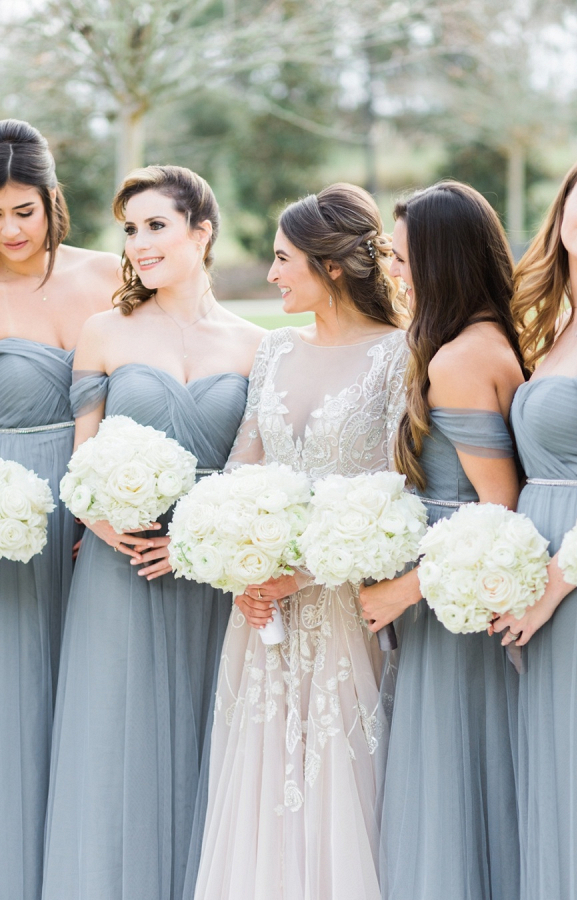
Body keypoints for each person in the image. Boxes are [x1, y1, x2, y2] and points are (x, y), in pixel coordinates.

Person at [42, 165, 263, 900]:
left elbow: (258, 478)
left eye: (157, 225)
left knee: (212, 752)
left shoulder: (258, 345)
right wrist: (115, 530)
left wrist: (197, 547)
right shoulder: (105, 330)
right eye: (130, 229)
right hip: (119, 569)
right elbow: (82, 463)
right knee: (113, 749)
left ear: (202, 230)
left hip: (212, 580)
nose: (138, 243)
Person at [189, 182, 408, 900]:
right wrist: (239, 562)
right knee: (259, 782)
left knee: (345, 785)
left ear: (332, 267)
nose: (273, 273)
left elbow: (392, 490)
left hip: (349, 606)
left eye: (285, 260)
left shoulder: (397, 355)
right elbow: (240, 464)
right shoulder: (275, 350)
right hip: (259, 613)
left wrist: (302, 574)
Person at [360, 182, 525, 900]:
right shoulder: (483, 336)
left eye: (403, 258)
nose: (393, 271)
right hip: (448, 589)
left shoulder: (461, 358)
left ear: (443, 259)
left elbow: (500, 507)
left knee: (450, 781)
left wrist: (403, 588)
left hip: (458, 599)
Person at [0, 118, 119, 900]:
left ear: (52, 202)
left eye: (23, 210)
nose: (9, 229)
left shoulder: (109, 273)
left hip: (102, 511)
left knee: (93, 693)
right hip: (8, 516)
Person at [491, 147, 577, 900]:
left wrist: (554, 587)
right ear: (564, 205)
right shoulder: (558, 321)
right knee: (555, 770)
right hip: (547, 578)